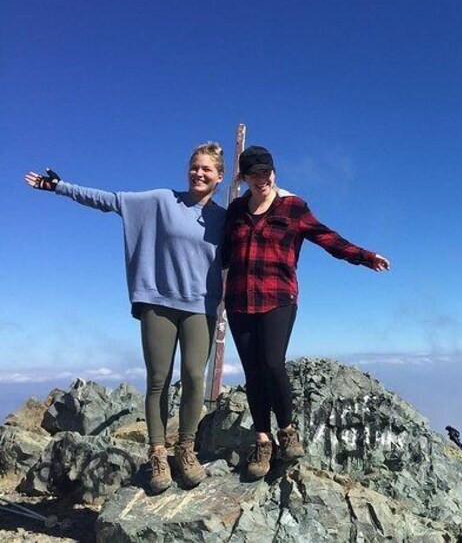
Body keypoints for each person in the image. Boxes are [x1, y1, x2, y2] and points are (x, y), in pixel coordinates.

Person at [24, 143, 227, 494]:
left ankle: (186, 450)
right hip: (158, 302)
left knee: (195, 376)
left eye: (207, 169)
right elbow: (111, 200)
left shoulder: (224, 219)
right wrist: (58, 186)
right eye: (194, 167)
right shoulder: (162, 200)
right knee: (158, 379)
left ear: (219, 177)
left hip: (200, 306)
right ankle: (159, 453)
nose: (199, 173)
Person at [222, 145, 390, 480]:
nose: (261, 180)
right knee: (253, 372)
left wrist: (363, 256)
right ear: (243, 178)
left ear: (273, 172)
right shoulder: (236, 210)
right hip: (239, 299)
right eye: (253, 175)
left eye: (265, 173)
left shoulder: (293, 207)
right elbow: (220, 253)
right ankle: (262, 439)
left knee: (271, 363)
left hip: (278, 297)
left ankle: (286, 430)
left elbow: (325, 236)